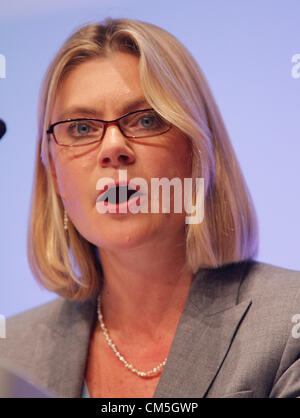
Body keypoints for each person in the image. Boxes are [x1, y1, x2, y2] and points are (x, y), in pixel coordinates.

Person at [1, 18, 300, 399]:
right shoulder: (12, 355)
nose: (113, 147)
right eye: (80, 128)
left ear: (199, 153)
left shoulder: (289, 324)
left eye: (146, 120)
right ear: (56, 176)